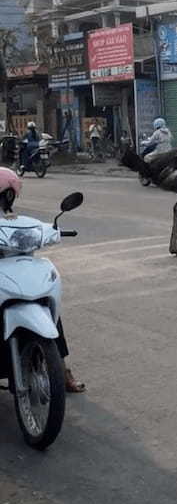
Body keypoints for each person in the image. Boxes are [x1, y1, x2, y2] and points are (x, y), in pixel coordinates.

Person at [0, 167, 84, 393]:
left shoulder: (15, 218)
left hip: (17, 271)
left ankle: (62, 370)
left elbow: (36, 229)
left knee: (46, 309)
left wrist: (52, 231)